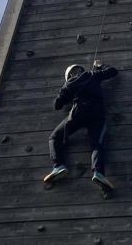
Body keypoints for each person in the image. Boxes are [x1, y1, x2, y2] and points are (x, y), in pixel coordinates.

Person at [43, 60, 117, 191]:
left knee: (54, 137)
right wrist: (100, 66)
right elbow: (113, 72)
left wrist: (67, 89)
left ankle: (58, 165)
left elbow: (57, 105)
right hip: (97, 114)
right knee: (97, 144)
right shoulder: (93, 75)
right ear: (81, 69)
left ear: (69, 75)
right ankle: (98, 172)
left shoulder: (68, 84)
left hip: (78, 114)